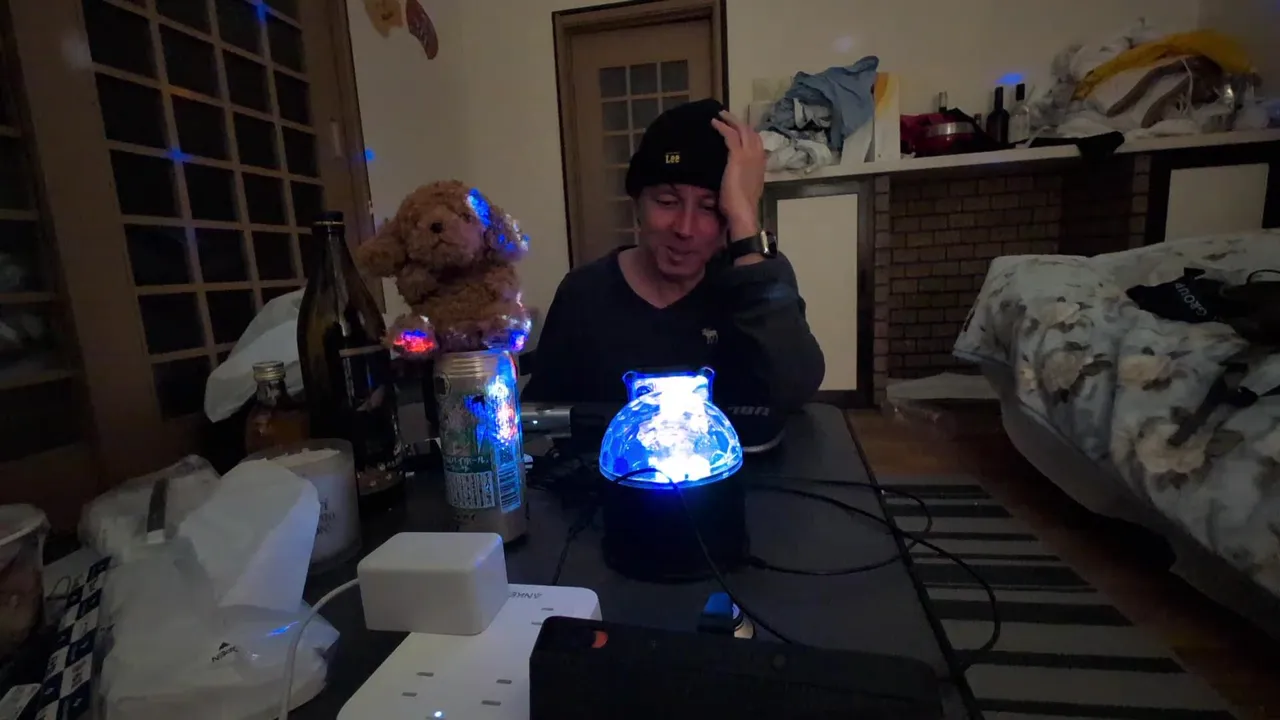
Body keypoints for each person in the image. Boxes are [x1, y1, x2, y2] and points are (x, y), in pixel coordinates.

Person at [522, 98, 824, 415]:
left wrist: (745, 218)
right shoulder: (584, 293)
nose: (684, 228)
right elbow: (543, 414)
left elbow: (794, 388)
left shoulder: (758, 282)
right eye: (667, 202)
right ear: (637, 203)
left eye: (709, 208)